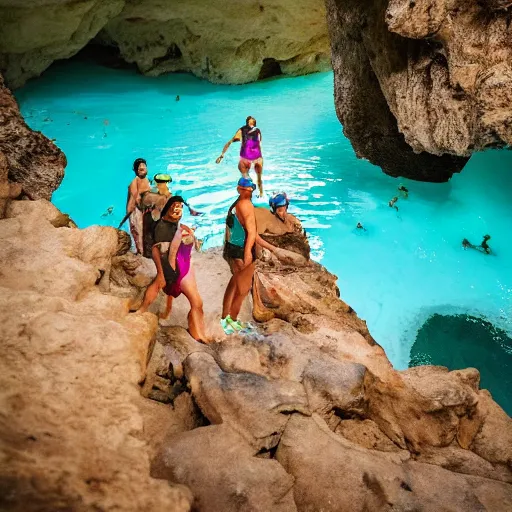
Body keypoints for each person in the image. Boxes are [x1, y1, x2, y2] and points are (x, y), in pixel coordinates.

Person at [221, 177, 299, 334]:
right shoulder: (247, 206)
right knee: (244, 287)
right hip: (240, 250)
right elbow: (252, 235)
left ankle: (226, 320)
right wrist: (250, 255)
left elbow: (244, 231)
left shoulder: (237, 204)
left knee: (234, 283)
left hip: (232, 248)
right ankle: (235, 322)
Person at [137, 196, 208, 342]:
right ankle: (197, 333)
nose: (178, 210)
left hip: (183, 265)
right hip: (176, 268)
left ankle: (197, 330)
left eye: (180, 207)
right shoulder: (163, 228)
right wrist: (167, 271)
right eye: (175, 207)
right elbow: (163, 251)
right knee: (193, 300)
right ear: (167, 209)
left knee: (195, 302)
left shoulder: (174, 225)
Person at [216, 116, 264, 197]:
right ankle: (261, 194)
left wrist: (222, 155)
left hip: (245, 159)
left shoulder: (241, 130)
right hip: (258, 159)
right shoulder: (258, 131)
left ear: (246, 123)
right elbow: (259, 143)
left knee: (245, 175)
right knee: (259, 178)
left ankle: (249, 186)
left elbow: (230, 142)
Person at [124, 158, 151, 254]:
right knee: (139, 233)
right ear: (136, 171)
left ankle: (145, 252)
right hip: (135, 211)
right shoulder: (134, 182)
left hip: (144, 210)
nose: (143, 168)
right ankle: (141, 254)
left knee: (146, 233)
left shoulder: (148, 180)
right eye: (140, 168)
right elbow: (137, 199)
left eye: (144, 166)